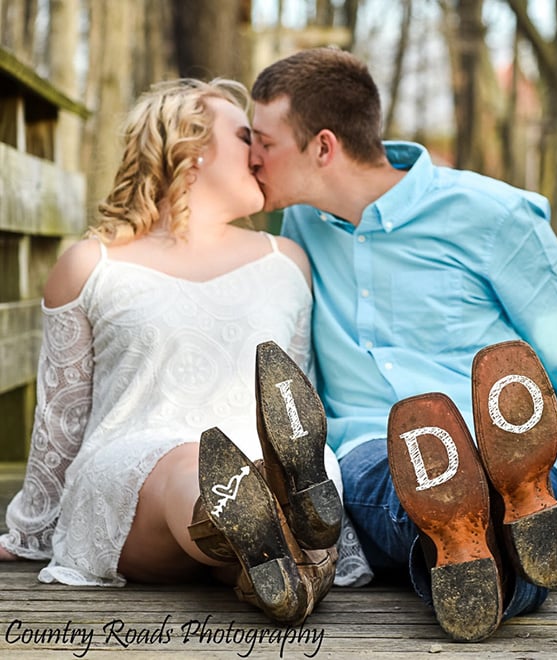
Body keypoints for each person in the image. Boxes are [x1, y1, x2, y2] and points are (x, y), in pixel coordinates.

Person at [249, 47, 557, 642]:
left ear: (323, 147)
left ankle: (506, 514)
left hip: (504, 436)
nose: (251, 159)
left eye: (263, 143)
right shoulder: (296, 228)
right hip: (375, 446)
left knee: (466, 473)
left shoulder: (492, 213)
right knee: (396, 478)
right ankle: (490, 543)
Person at [0, 78, 371, 626]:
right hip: (137, 481)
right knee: (196, 464)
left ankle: (272, 560)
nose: (261, 151)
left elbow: (294, 399)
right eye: (246, 136)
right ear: (190, 150)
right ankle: (275, 535)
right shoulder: (92, 266)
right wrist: (31, 530)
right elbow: (61, 417)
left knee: (289, 465)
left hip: (272, 460)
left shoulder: (286, 263)